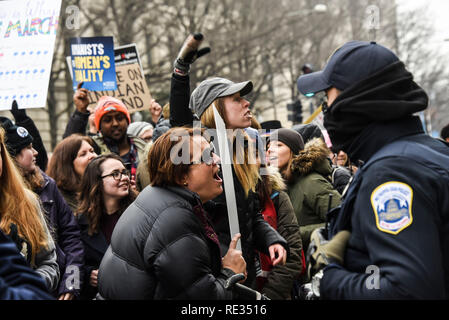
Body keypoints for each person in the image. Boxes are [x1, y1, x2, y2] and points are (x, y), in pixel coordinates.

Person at [297, 40, 449, 299]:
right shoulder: (431, 151)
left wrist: (330, 279)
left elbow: (406, 290)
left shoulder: (392, 173)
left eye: (328, 98)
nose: (326, 110)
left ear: (356, 100)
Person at [168, 34, 288, 290]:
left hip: (244, 274)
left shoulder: (244, 151)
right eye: (236, 99)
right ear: (215, 109)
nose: (247, 103)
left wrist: (271, 240)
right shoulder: (198, 149)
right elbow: (179, 124)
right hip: (212, 275)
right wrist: (181, 71)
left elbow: (251, 213)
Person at [98, 128, 249, 299]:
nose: (217, 159)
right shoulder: (175, 221)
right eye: (207, 156)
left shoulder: (159, 197)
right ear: (182, 175)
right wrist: (230, 273)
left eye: (213, 152)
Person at [1, 117, 85, 299]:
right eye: (29, 148)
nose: (36, 152)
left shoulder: (46, 186)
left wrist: (72, 284)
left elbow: (72, 240)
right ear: (11, 156)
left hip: (54, 290)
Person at [0, 125, 59, 292]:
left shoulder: (27, 201)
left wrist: (27, 286)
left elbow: (49, 263)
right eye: (28, 148)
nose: (35, 153)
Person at [267, 128, 341, 253]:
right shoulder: (278, 187)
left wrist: (295, 234)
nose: (269, 150)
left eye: (278, 145)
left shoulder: (312, 182)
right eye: (268, 146)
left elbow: (341, 221)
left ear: (294, 151)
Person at [76, 153, 137, 300]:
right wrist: (88, 273)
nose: (124, 178)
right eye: (115, 174)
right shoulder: (80, 221)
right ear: (97, 182)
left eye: (124, 172)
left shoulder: (139, 212)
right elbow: (73, 261)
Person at [63, 89, 148, 190]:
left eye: (120, 118)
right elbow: (69, 146)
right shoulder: (93, 149)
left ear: (127, 121)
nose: (115, 123)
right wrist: (80, 112)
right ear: (99, 126)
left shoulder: (146, 149)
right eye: (108, 120)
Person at [46, 134, 98, 213]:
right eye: (83, 154)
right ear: (67, 165)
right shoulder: (60, 201)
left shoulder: (99, 189)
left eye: (92, 151)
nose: (92, 156)